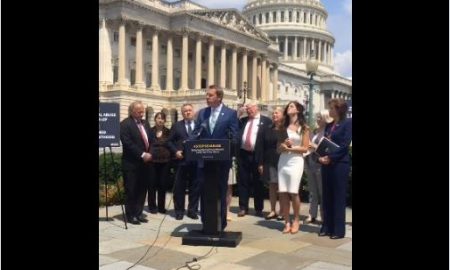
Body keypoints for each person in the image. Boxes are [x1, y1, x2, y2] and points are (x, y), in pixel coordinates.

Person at [194, 85, 239, 231]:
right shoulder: (202, 113)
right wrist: (189, 142)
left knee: (221, 190)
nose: (207, 97)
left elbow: (235, 136)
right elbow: (196, 132)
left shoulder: (230, 114)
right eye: (207, 95)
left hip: (221, 161)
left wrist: (227, 148)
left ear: (219, 97)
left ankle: (221, 222)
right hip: (204, 161)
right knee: (203, 189)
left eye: (210, 95)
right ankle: (206, 222)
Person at [318, 99, 352, 239]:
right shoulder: (329, 125)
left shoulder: (348, 123)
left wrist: (331, 157)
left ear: (339, 109)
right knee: (327, 195)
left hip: (339, 164)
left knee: (338, 196)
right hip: (326, 164)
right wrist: (320, 156)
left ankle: (338, 230)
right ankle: (326, 226)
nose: (329, 111)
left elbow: (345, 145)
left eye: (332, 108)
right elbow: (325, 143)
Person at [120, 101, 155, 225]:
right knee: (131, 189)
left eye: (143, 111)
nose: (142, 114)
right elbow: (127, 143)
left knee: (142, 189)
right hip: (131, 164)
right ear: (132, 111)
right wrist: (142, 154)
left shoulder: (145, 123)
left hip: (145, 164)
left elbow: (151, 139)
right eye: (139, 111)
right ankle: (130, 215)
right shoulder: (125, 124)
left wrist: (150, 153)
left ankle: (138, 213)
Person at [277, 101, 310, 234]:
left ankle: (296, 220)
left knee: (294, 191)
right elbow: (278, 149)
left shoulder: (304, 127)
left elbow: (305, 148)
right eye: (288, 106)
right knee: (283, 192)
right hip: (283, 160)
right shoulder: (282, 127)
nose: (288, 108)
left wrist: (291, 148)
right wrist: (283, 145)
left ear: (298, 110)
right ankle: (286, 221)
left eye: (291, 106)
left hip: (296, 161)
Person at [237, 102, 272, 217]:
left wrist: (264, 160)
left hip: (257, 155)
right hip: (243, 154)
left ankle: (258, 208)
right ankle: (243, 207)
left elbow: (268, 142)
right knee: (243, 181)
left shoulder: (266, 121)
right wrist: (238, 114)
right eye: (247, 108)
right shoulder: (243, 120)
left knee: (258, 182)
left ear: (257, 108)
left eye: (250, 107)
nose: (248, 110)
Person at [167, 104, 200, 220]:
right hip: (180, 162)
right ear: (182, 113)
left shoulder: (199, 125)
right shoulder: (176, 126)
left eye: (190, 110)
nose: (188, 112)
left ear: (193, 111)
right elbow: (169, 142)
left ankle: (192, 210)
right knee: (179, 188)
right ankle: (179, 211)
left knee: (195, 187)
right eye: (185, 111)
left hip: (195, 161)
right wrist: (175, 151)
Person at [304, 110, 333, 223]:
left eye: (319, 117)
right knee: (312, 191)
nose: (317, 119)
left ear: (325, 118)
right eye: (317, 117)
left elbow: (328, 149)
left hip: (321, 165)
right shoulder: (315, 131)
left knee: (322, 192)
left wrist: (314, 146)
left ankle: (324, 216)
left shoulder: (328, 132)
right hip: (311, 161)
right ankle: (312, 214)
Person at [256, 106, 284, 220]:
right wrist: (260, 163)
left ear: (283, 115)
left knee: (282, 187)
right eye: (273, 114)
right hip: (269, 161)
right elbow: (260, 146)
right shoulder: (267, 128)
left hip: (283, 160)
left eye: (277, 113)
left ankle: (282, 211)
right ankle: (273, 210)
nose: (274, 115)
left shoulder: (285, 129)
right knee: (272, 186)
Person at [147, 112, 171, 214]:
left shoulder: (169, 132)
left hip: (165, 161)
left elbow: (171, 145)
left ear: (165, 121)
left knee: (162, 185)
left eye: (162, 118)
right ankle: (152, 206)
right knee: (151, 184)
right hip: (152, 161)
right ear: (155, 119)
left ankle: (161, 207)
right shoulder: (149, 131)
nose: (160, 120)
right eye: (158, 118)